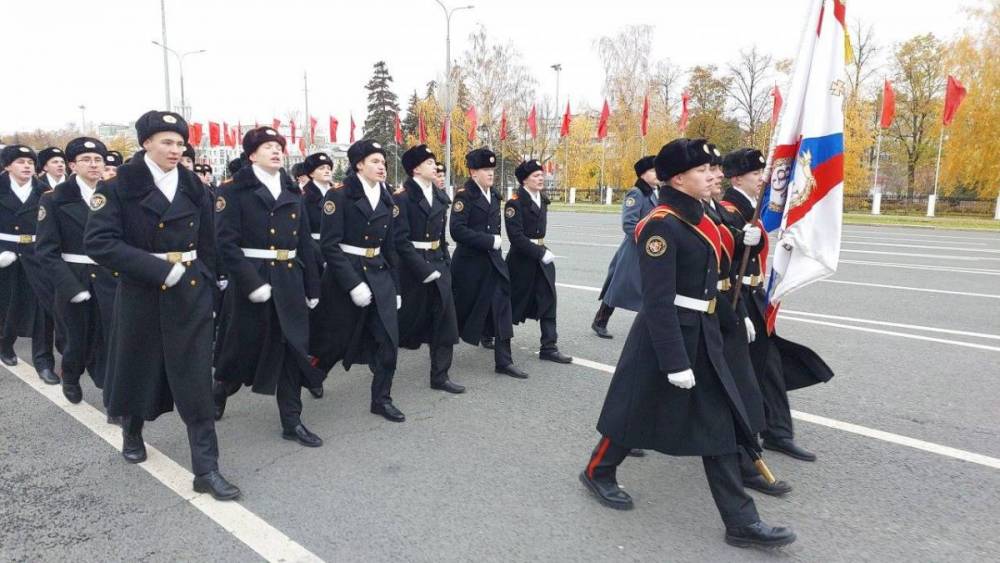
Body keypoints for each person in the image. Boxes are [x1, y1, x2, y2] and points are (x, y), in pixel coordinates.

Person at [580, 138, 795, 549]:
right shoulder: (662, 224)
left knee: (717, 422)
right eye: (702, 170)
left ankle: (741, 521)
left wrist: (735, 314)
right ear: (678, 179)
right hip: (666, 335)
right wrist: (675, 361)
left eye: (713, 169)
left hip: (704, 330)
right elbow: (657, 301)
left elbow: (713, 280)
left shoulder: (700, 215)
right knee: (635, 409)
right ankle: (597, 471)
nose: (713, 175)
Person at [84, 110, 239, 500]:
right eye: (167, 142)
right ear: (146, 143)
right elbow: (99, 242)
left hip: (190, 291)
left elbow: (208, 242)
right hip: (143, 292)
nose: (175, 149)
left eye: (180, 143)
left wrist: (210, 285)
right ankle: (132, 430)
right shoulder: (119, 186)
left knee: (196, 379)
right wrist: (158, 270)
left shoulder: (194, 185)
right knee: (139, 366)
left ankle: (206, 469)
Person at [211, 126, 324, 447]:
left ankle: (292, 420)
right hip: (252, 278)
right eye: (267, 147)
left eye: (278, 146)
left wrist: (313, 287)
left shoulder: (291, 188)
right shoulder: (233, 190)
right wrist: (251, 282)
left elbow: (304, 241)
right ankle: (220, 389)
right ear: (251, 155)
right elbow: (225, 243)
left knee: (292, 349)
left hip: (289, 279)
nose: (276, 151)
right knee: (241, 347)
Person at [719, 148, 833, 463]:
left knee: (766, 365)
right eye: (756, 174)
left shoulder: (751, 208)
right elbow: (726, 264)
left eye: (762, 173)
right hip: (737, 298)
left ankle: (776, 432)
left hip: (754, 296)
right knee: (722, 367)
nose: (762, 180)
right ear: (737, 178)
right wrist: (740, 310)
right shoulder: (730, 210)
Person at [703, 144, 790, 496]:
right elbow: (719, 265)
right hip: (719, 305)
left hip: (739, 301)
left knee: (755, 374)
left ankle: (764, 438)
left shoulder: (729, 208)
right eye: (756, 174)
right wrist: (737, 311)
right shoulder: (723, 209)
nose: (715, 177)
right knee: (730, 383)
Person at [310, 139, 406, 422]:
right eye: (375, 161)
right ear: (359, 165)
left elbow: (390, 248)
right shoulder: (339, 196)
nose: (382, 167)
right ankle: (311, 375)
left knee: (388, 340)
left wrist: (396, 288)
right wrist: (353, 284)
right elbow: (329, 245)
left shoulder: (387, 198)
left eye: (383, 162)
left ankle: (382, 399)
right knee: (333, 342)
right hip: (346, 274)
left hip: (379, 273)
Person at [35, 137, 120, 421]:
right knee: (75, 340)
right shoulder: (54, 199)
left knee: (110, 340)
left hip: (109, 278)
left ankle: (113, 401)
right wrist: (70, 286)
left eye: (98, 159)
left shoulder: (113, 194)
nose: (94, 164)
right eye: (86, 160)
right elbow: (46, 251)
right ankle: (70, 374)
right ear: (72, 165)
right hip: (74, 278)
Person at [449, 148, 527, 379]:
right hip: (469, 267)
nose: (491, 173)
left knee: (502, 305)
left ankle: (504, 361)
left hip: (492, 263)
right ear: (473, 172)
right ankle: (439, 344)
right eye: (485, 169)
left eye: (492, 169)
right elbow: (457, 230)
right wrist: (488, 240)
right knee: (457, 312)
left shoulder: (494, 195)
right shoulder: (464, 196)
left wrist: (494, 246)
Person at [394, 144, 464, 394]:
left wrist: (445, 263)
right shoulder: (402, 198)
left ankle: (440, 376)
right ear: (415, 169)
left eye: (434, 162)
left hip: (437, 262)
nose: (434, 166)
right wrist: (422, 269)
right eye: (429, 163)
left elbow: (441, 236)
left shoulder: (439, 196)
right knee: (402, 322)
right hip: (412, 267)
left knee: (445, 320)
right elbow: (400, 241)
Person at [0, 144, 58, 384]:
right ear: (7, 166)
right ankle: (5, 344)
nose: (26, 166)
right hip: (6, 257)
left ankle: (44, 362)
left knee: (43, 309)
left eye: (30, 162)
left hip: (37, 255)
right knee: (7, 306)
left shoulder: (45, 192)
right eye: (20, 162)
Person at [503, 159, 571, 364]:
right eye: (536, 176)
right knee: (511, 303)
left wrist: (542, 253)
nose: (541, 178)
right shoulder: (514, 203)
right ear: (525, 180)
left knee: (549, 298)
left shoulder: (542, 199)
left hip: (541, 256)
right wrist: (539, 253)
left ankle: (549, 346)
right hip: (521, 260)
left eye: (542, 175)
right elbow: (516, 237)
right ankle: (490, 332)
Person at [591, 156, 660, 338]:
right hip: (635, 249)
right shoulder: (636, 193)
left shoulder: (657, 192)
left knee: (651, 287)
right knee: (618, 286)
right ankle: (600, 320)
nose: (657, 173)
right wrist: (648, 241)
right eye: (653, 170)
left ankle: (651, 326)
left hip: (652, 248)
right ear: (643, 174)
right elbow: (629, 224)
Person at [299, 152, 336, 399]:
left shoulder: (337, 194)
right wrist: (322, 257)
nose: (327, 171)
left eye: (329, 167)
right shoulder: (304, 198)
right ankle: (310, 368)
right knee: (315, 316)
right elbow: (303, 235)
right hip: (313, 258)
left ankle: (317, 369)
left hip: (335, 256)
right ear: (311, 173)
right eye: (321, 168)